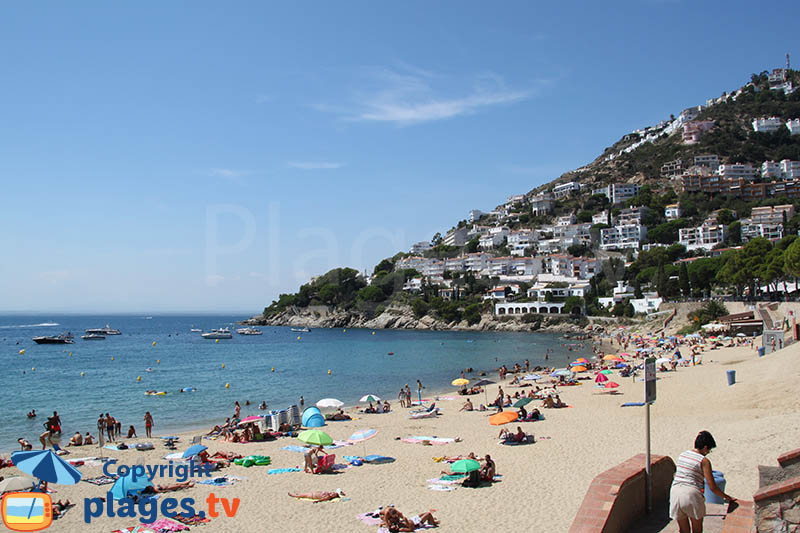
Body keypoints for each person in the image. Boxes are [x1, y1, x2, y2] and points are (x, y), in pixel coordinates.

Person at [670, 431, 736, 533]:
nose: (709, 452)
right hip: (691, 494)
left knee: (683, 530)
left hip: (675, 493)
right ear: (705, 448)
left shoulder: (682, 455)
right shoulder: (703, 461)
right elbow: (712, 487)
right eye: (709, 450)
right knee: (697, 530)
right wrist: (728, 497)